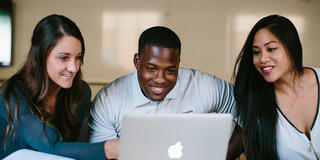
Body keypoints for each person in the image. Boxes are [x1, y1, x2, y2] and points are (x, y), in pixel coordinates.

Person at [89, 26, 237, 159]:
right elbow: (103, 154)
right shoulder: (108, 99)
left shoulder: (205, 86)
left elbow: (248, 113)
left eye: (170, 70)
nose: (160, 79)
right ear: (137, 61)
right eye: (151, 69)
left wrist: (224, 156)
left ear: (179, 63)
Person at [0, 14, 108, 159]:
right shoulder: (13, 93)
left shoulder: (81, 92)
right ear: (40, 56)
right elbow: (52, 146)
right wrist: (108, 148)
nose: (73, 68)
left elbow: (69, 150)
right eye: (64, 58)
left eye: (78, 57)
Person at [229, 15, 320, 159]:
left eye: (271, 49)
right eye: (256, 52)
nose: (263, 59)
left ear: (292, 47)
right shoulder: (255, 104)